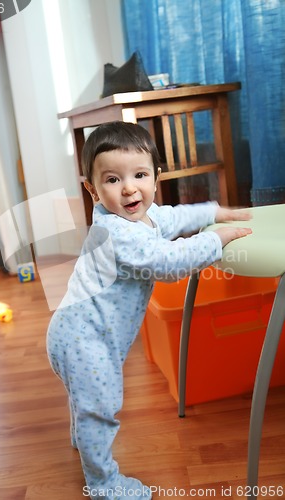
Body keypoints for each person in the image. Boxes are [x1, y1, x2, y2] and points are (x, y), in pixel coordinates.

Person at [46, 121, 252, 500]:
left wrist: (214, 211)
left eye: (139, 175)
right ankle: (104, 483)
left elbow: (171, 217)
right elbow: (169, 262)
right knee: (101, 408)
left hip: (79, 332)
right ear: (92, 189)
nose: (128, 188)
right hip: (84, 340)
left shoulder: (143, 216)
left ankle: (82, 437)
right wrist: (215, 238)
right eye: (112, 179)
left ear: (155, 178)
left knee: (88, 400)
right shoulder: (119, 233)